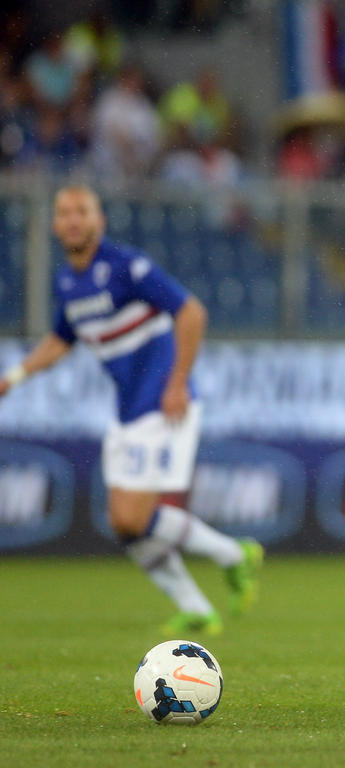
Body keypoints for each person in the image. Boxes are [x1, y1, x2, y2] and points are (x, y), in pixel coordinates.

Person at [0, 185, 263, 635]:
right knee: (124, 526)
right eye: (65, 213)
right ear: (55, 225)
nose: (74, 220)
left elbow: (192, 312)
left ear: (99, 220)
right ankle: (197, 605)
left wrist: (178, 382)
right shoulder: (68, 282)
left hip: (162, 402)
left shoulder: (126, 267)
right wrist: (16, 376)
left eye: (82, 211)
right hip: (127, 411)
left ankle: (235, 555)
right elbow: (61, 340)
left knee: (130, 517)